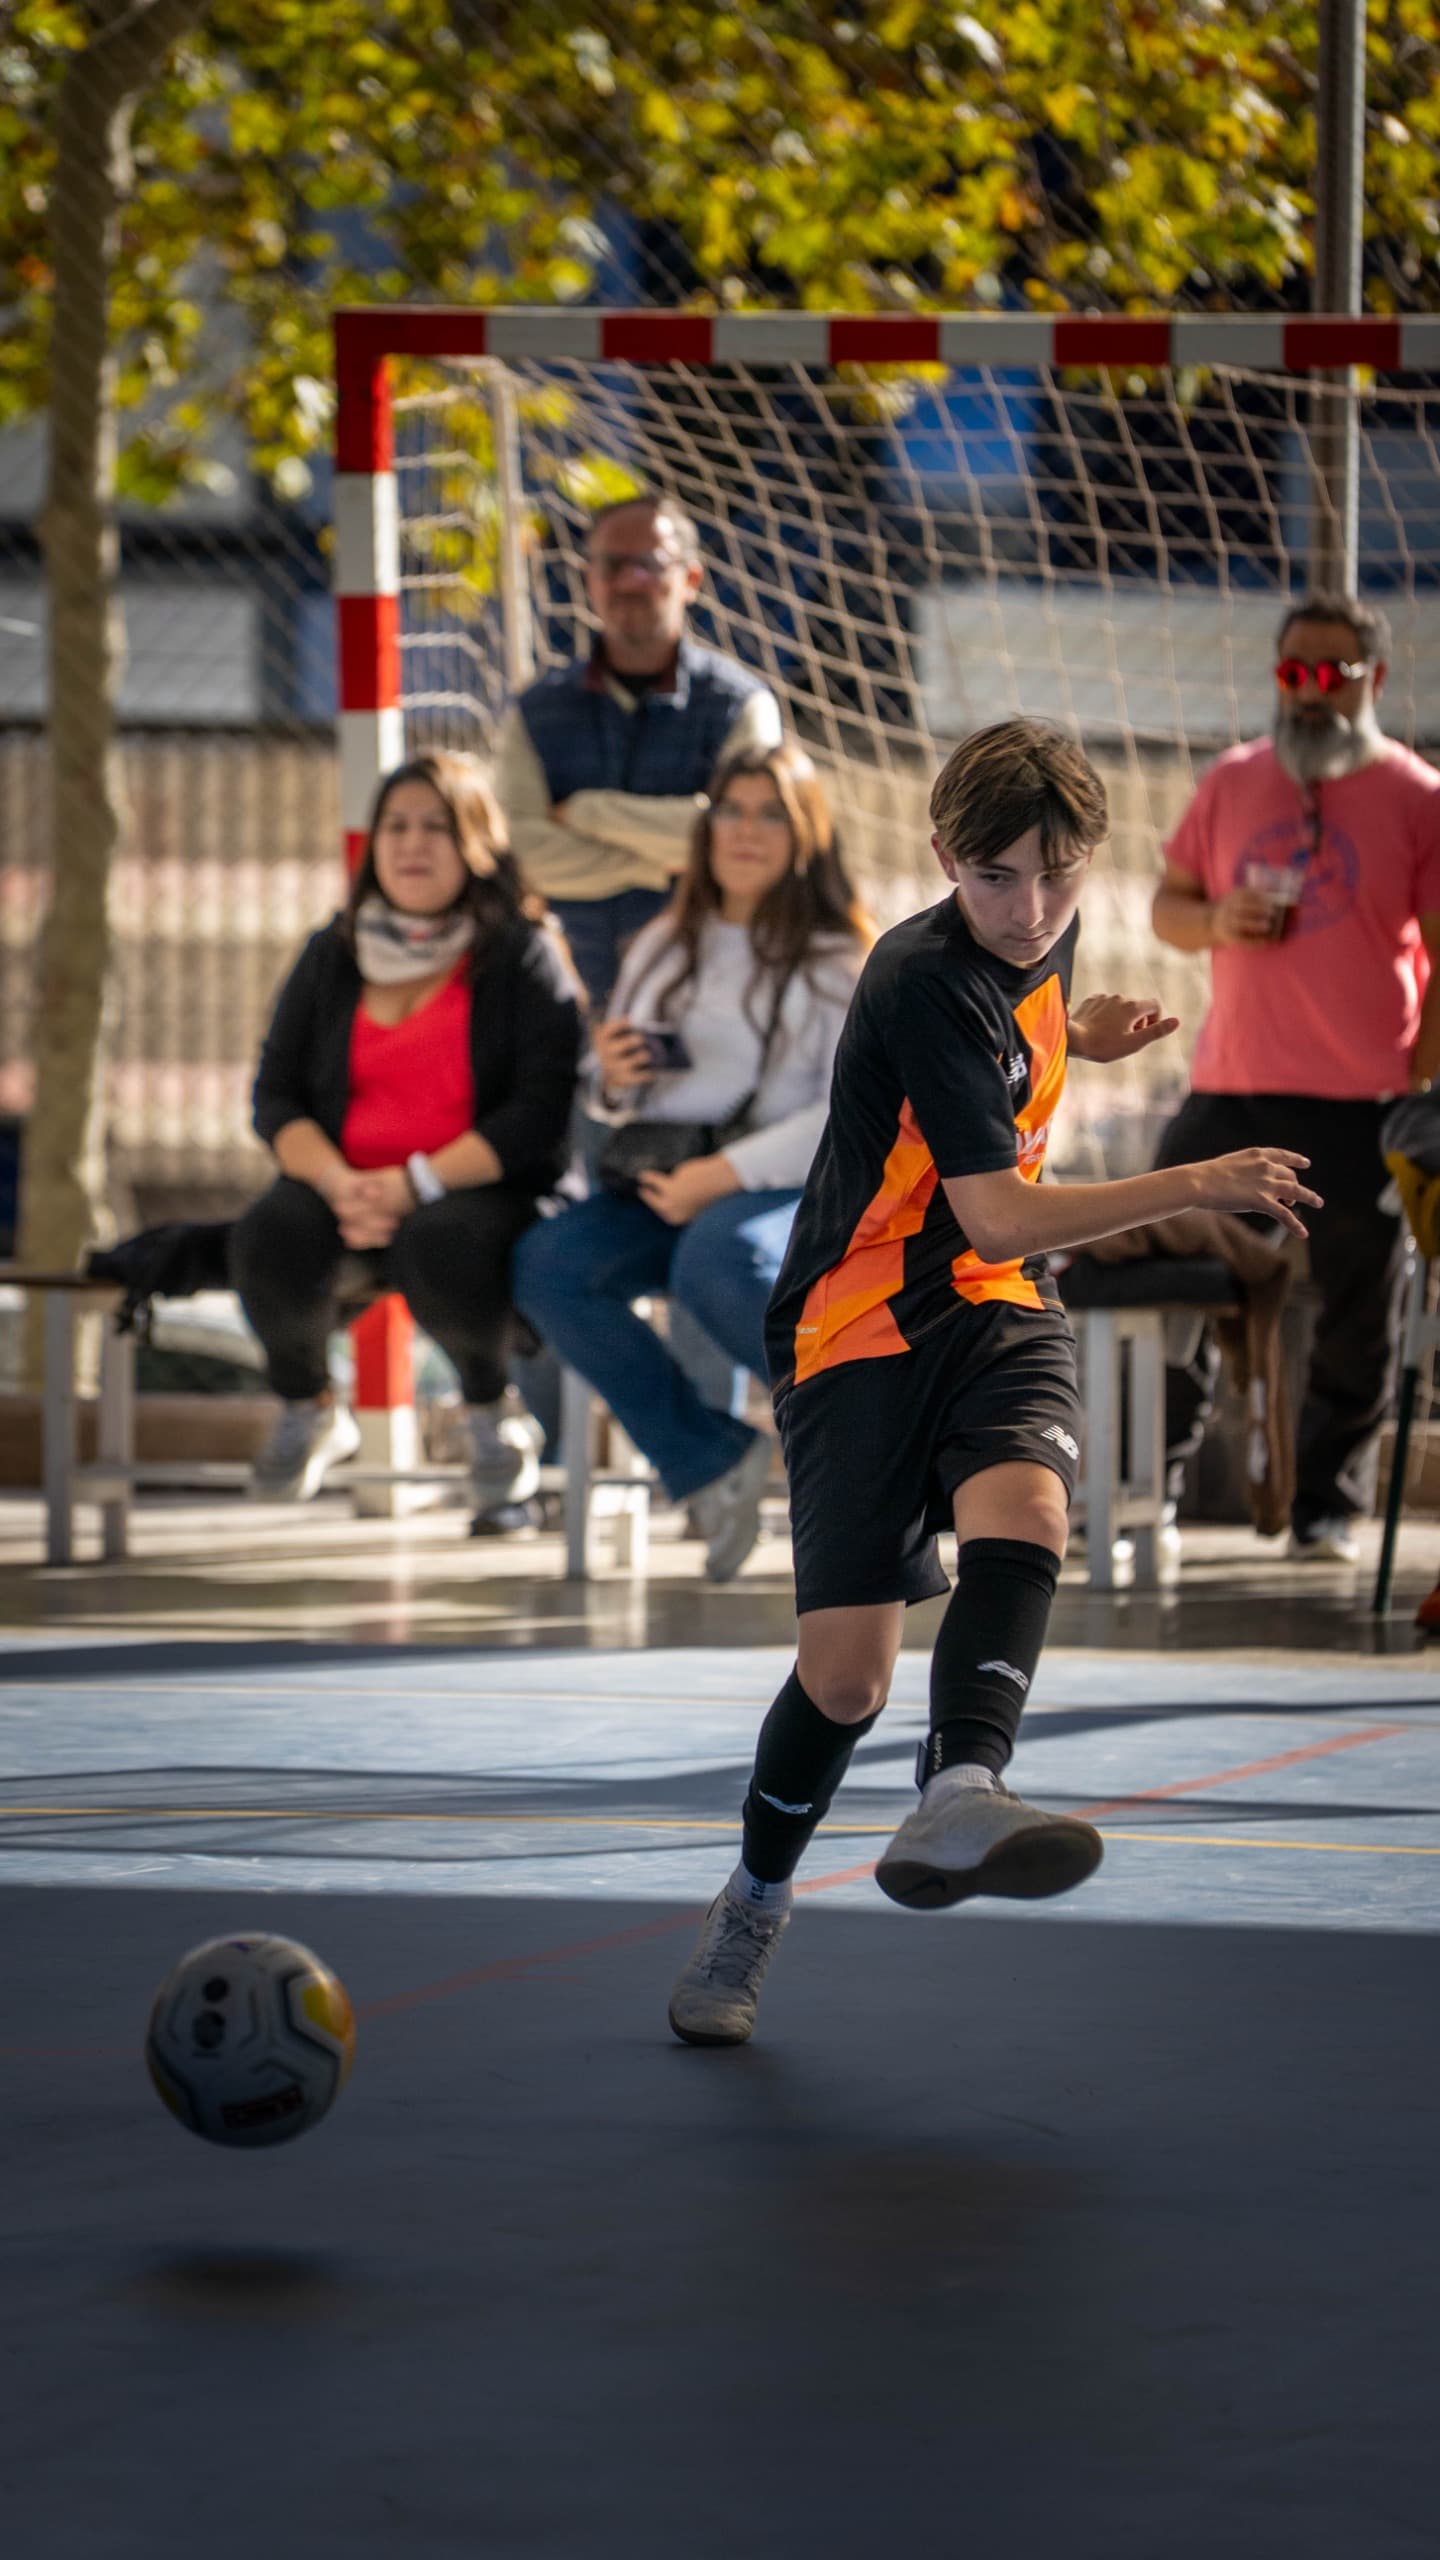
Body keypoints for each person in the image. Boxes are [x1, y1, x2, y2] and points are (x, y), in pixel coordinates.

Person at [666, 717, 1321, 2046]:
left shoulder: (1042, 932)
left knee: (1025, 1517)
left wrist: (1082, 1034)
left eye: (1060, 875)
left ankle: (962, 1783)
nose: (1032, 908)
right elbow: (1005, 1214)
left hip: (991, 1311)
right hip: (859, 1322)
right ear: (942, 858)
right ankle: (752, 1902)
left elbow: (1012, 1069)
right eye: (998, 880)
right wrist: (1200, 1174)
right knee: (844, 1680)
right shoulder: (913, 976)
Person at [514, 742, 869, 1583]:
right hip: (665, 1178)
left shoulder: (840, 957)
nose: (746, 832)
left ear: (807, 831)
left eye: (770, 814)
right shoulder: (666, 940)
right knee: (551, 1264)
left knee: (718, 1256)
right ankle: (711, 1458)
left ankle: (867, 1443)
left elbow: (849, 1114)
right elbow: (611, 1094)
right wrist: (613, 1075)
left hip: (783, 1186)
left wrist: (727, 1177)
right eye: (732, 811)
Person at [1152, 592, 1440, 1564]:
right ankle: (1142, 1476)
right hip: (1232, 1090)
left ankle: (1325, 1501)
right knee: (1155, 1270)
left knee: (1364, 1310)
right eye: (1293, 674)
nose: (1310, 694)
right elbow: (1168, 903)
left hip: (1366, 1102)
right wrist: (1214, 919)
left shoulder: (1418, 797)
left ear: (1375, 682)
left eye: (1332, 674)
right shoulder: (1233, 779)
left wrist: (1421, 1093)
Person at [231, 750, 582, 1517]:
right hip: (346, 1183)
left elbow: (539, 1115)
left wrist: (413, 1182)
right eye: (397, 826)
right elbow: (275, 1095)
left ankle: (491, 1412)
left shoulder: (523, 953)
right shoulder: (335, 948)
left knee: (440, 1241)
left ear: (478, 846)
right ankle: (309, 1405)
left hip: (477, 1191)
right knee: (268, 1233)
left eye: (437, 828)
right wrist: (338, 1183)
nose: (412, 844)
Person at [493, 491, 782, 1012]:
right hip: (558, 997)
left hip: (709, 995)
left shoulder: (743, 707)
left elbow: (746, 845)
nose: (631, 581)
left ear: (691, 580)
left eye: (650, 564)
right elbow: (520, 854)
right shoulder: (532, 712)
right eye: (613, 564)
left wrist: (586, 813)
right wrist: (673, 857)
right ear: (589, 579)